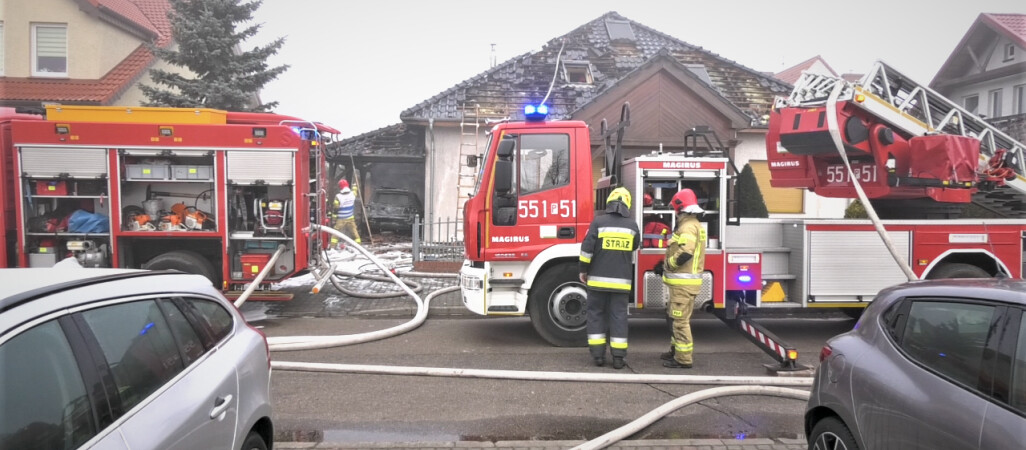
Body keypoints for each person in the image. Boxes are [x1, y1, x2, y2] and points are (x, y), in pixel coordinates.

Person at [579, 187, 641, 369]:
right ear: (627, 204)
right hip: (621, 284)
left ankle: (598, 357)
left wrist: (583, 270)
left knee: (596, 315)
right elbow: (634, 246)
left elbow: (586, 250)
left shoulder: (598, 222)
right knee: (619, 317)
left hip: (597, 282)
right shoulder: (632, 226)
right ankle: (618, 358)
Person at [657, 188, 706, 369]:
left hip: (683, 285)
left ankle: (683, 359)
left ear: (680, 207)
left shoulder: (687, 226)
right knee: (675, 318)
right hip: (684, 285)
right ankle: (676, 351)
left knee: (680, 322)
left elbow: (685, 252)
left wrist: (669, 265)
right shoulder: (693, 224)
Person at [332, 179, 361, 249]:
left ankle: (332, 247)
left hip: (341, 219)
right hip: (350, 218)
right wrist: (355, 185)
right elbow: (355, 191)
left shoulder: (338, 196)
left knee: (336, 233)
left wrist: (334, 219)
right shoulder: (352, 194)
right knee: (354, 232)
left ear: (340, 187)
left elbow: (336, 209)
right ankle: (359, 247)